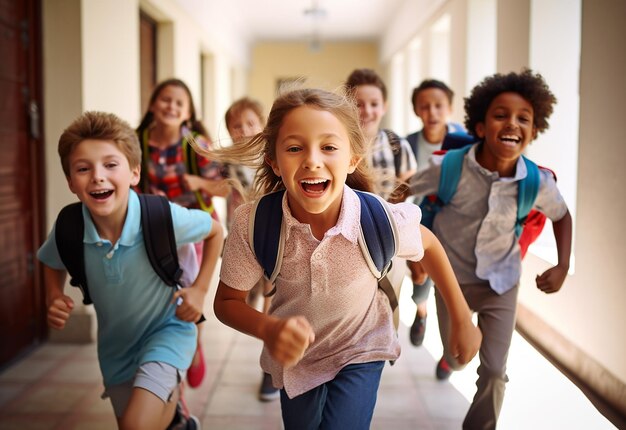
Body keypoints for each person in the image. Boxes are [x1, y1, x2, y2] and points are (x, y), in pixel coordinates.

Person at [198, 88, 481, 430]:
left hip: (362, 347)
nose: (312, 160)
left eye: (329, 147)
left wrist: (461, 316)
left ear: (352, 159)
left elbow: (430, 245)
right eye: (294, 148)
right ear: (273, 159)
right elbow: (227, 301)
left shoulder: (377, 218)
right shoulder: (254, 223)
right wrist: (268, 328)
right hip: (297, 360)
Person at [402, 69, 573, 429]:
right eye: (501, 115)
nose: (512, 124)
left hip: (502, 283)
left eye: (523, 118)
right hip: (453, 281)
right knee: (458, 356)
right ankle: (451, 358)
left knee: (495, 372)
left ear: (534, 130)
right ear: (480, 127)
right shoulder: (447, 166)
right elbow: (404, 192)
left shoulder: (536, 182)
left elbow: (561, 215)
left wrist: (562, 265)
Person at [37, 111, 224, 429]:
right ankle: (180, 421)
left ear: (135, 172)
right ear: (70, 181)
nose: (97, 176)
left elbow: (215, 231)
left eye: (111, 165)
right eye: (83, 168)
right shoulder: (69, 226)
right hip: (116, 348)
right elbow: (50, 261)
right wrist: (53, 296)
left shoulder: (161, 216)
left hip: (169, 330)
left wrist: (200, 289)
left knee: (137, 425)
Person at [136, 78, 230, 388]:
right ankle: (167, 357)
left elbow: (224, 187)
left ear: (188, 112)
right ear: (152, 105)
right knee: (162, 294)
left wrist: (199, 182)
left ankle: (194, 342)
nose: (171, 106)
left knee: (191, 291)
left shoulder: (196, 144)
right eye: (165, 99)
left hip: (198, 229)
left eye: (179, 102)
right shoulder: (137, 142)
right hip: (158, 230)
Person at [404, 79, 471, 348]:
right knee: (421, 282)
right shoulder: (408, 144)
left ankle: (451, 351)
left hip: (456, 226)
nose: (432, 113)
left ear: (450, 108)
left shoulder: (464, 143)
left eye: (438, 106)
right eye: (425, 106)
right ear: (417, 110)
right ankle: (421, 312)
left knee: (454, 289)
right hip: (420, 226)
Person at [223, 96, 280, 402]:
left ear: (262, 125)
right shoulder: (228, 160)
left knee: (271, 299)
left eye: (249, 123)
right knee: (250, 298)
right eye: (236, 125)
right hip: (243, 240)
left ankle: (270, 368)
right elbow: (219, 188)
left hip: (271, 233)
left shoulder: (271, 156)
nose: (243, 130)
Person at [345, 68, 417, 199]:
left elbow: (405, 193)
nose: (367, 111)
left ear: (384, 107)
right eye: (358, 104)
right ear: (347, 106)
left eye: (374, 104)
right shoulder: (339, 146)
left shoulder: (398, 145)